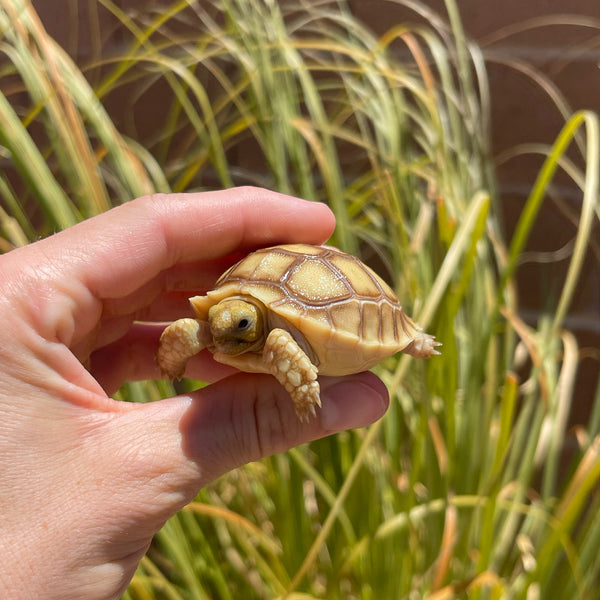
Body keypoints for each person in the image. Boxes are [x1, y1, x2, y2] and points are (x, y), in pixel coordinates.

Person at [0, 187, 388, 600]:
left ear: (252, 322)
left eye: (238, 327)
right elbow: (191, 331)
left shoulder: (277, 338)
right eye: (217, 324)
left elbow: (279, 344)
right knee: (198, 331)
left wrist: (304, 394)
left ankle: (412, 338)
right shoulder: (218, 325)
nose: (221, 335)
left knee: (277, 345)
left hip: (321, 306)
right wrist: (172, 361)